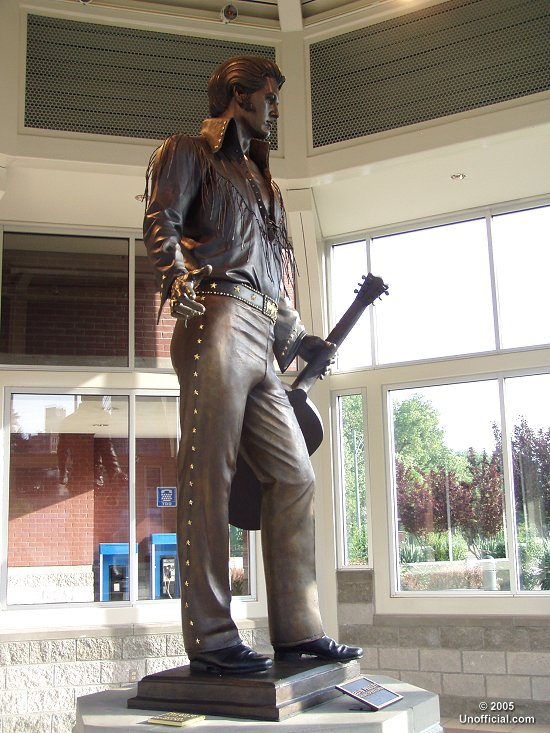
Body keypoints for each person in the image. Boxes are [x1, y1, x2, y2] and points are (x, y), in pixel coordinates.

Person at [143, 55, 362, 675]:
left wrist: (298, 337)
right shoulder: (189, 150)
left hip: (264, 335)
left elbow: (272, 279)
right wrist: (174, 275)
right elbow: (161, 218)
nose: (273, 110)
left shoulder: (266, 183)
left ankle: (297, 631)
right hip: (214, 315)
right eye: (268, 97)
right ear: (237, 95)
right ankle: (212, 637)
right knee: (208, 471)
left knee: (295, 477)